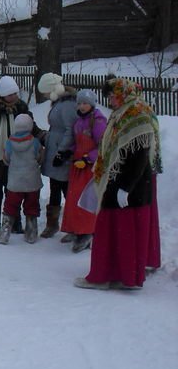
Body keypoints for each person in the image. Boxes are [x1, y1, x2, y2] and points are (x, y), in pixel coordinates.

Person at [74, 77, 162, 290]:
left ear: (124, 94)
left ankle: (113, 276)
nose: (111, 101)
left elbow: (140, 156)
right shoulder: (124, 112)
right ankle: (119, 274)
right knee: (117, 230)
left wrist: (125, 187)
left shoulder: (138, 116)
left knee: (122, 231)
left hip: (129, 183)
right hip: (118, 179)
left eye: (114, 96)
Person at [0, 75, 42, 235]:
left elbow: (31, 126)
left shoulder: (21, 107)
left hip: (16, 159)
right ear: (3, 95)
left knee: (14, 194)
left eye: (15, 94)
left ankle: (15, 224)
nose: (14, 97)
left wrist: (43, 137)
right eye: (11, 94)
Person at [53, 89, 107, 252]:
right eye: (80, 103)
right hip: (77, 166)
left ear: (92, 104)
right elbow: (77, 142)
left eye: (85, 103)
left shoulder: (97, 122)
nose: (82, 106)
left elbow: (103, 146)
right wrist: (68, 151)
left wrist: (88, 158)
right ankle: (75, 228)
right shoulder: (79, 121)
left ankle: (87, 231)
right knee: (73, 198)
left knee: (86, 201)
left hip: (90, 168)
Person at [36, 73, 77, 239]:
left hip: (62, 155)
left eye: (45, 92)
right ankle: (52, 224)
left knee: (67, 190)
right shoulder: (59, 103)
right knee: (54, 188)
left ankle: (74, 226)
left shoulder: (67, 105)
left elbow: (70, 130)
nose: (45, 96)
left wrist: (62, 151)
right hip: (54, 151)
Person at [0, 114, 44, 245]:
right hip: (32, 181)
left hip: (15, 182)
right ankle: (31, 232)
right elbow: (39, 157)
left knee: (10, 206)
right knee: (32, 205)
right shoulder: (35, 142)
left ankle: (4, 233)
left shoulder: (9, 142)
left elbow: (6, 159)